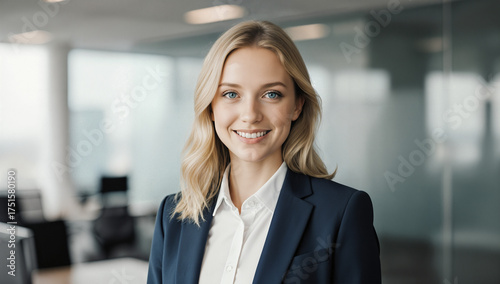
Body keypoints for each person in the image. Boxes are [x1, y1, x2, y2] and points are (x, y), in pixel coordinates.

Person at [147, 20, 381, 284]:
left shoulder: (341, 213)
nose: (250, 115)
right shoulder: (174, 215)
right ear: (211, 107)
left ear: (297, 106)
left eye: (271, 94)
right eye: (231, 94)